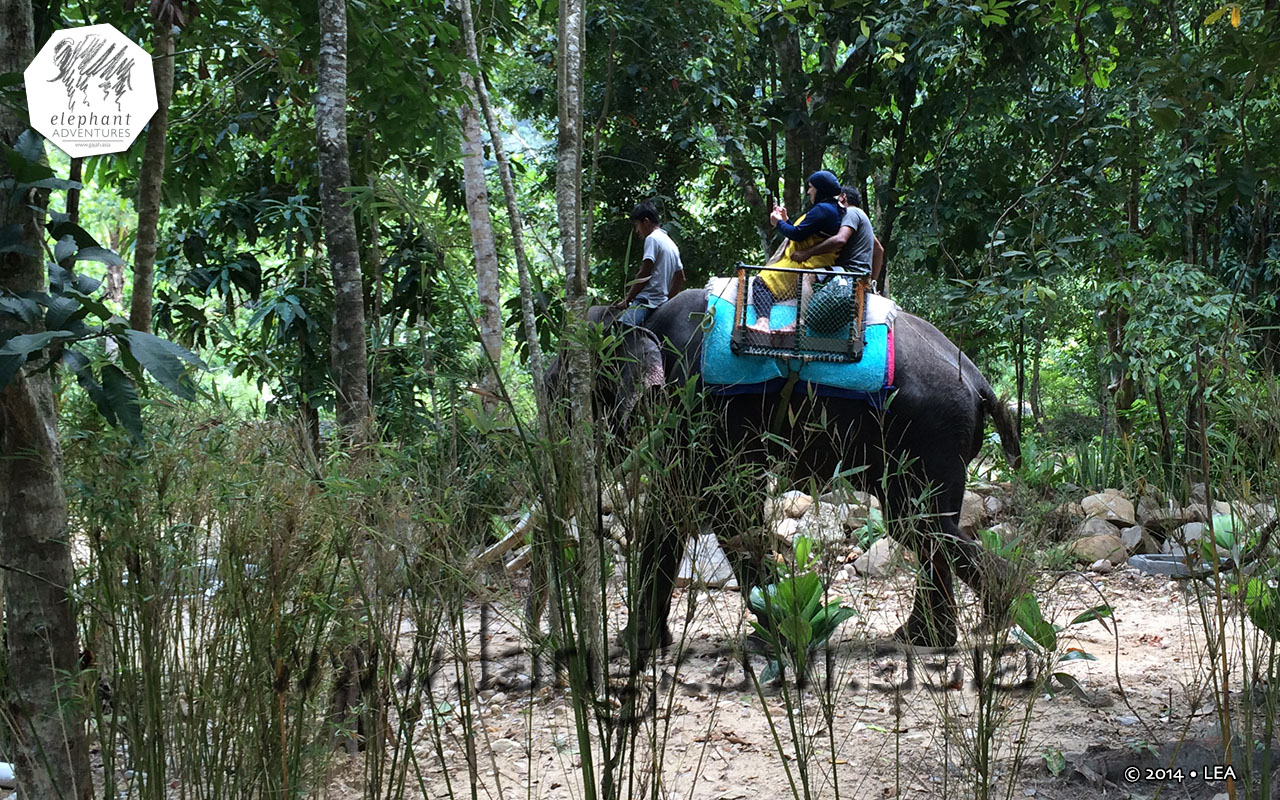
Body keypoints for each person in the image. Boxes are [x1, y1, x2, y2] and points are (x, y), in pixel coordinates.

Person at [750, 170, 842, 332]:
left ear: (820, 189)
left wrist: (778, 223)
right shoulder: (831, 209)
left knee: (761, 282)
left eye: (811, 187)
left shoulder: (823, 209)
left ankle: (763, 323)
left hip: (804, 264)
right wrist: (786, 220)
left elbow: (797, 235)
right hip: (810, 261)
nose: (808, 191)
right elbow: (804, 233)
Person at [613, 202, 685, 326]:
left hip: (647, 301)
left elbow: (644, 273)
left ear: (646, 221)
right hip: (661, 302)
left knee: (620, 331)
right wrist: (668, 302)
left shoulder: (652, 239)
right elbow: (680, 277)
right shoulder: (671, 244)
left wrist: (627, 300)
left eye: (637, 225)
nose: (637, 231)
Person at [792, 185, 884, 281]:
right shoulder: (860, 216)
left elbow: (840, 239)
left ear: (842, 197)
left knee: (808, 276)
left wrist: (807, 252)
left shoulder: (851, 212)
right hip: (859, 274)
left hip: (850, 272)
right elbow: (879, 249)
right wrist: (872, 280)